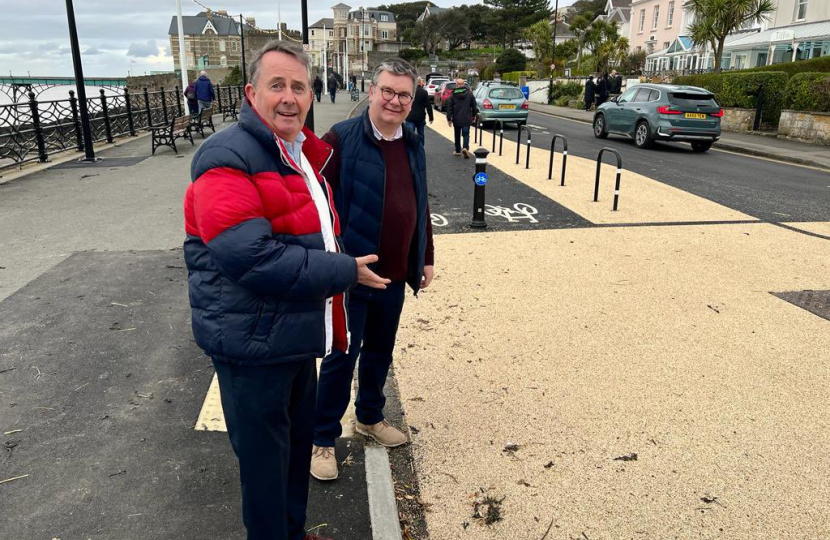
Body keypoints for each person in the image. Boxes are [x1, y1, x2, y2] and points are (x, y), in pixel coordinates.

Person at [183, 40, 390, 540]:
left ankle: (293, 533)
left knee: (296, 451)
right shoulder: (225, 156)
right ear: (252, 92)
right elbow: (250, 257)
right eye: (277, 85)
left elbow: (309, 229)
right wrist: (343, 271)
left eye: (299, 87)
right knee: (265, 467)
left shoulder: (298, 152)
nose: (290, 97)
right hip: (250, 343)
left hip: (292, 333)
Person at [310, 58, 435, 481]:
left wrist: (426, 257)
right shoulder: (341, 139)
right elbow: (314, 206)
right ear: (371, 90)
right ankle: (322, 439)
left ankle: (369, 417)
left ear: (412, 98)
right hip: (352, 275)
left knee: (381, 351)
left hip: (396, 274)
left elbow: (421, 204)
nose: (394, 101)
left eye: (403, 94)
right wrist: (337, 265)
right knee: (341, 358)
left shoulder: (413, 139)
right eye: (387, 91)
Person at [445, 78, 477, 158]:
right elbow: (474, 106)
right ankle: (465, 148)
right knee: (466, 134)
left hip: (456, 118)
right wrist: (474, 115)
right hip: (466, 118)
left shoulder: (453, 95)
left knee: (457, 135)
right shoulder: (469, 94)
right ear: (463, 85)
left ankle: (458, 150)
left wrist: (449, 118)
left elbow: (449, 108)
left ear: (457, 85)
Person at [404, 76, 433, 147]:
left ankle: (411, 149)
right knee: (421, 134)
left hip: (410, 116)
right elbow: (428, 105)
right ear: (420, 83)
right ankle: (420, 149)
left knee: (410, 134)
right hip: (420, 116)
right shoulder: (424, 92)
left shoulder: (409, 92)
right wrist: (431, 117)